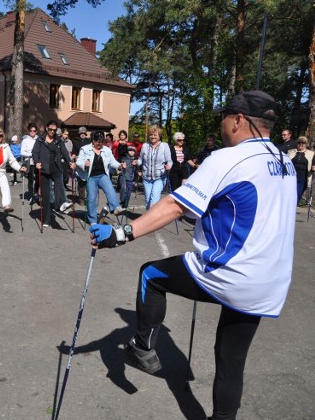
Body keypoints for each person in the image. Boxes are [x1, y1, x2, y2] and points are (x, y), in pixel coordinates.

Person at [89, 90, 296, 420]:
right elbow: (245, 209)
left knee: (151, 275)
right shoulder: (286, 162)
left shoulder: (228, 158)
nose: (222, 123)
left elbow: (175, 205)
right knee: (231, 358)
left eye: (224, 117)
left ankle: (143, 348)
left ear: (239, 120)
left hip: (231, 273)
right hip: (270, 282)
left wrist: (121, 233)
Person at [32, 120, 74, 228]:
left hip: (56, 167)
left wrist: (70, 162)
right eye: (50, 129)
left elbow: (64, 153)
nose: (52, 131)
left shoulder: (58, 140)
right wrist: (36, 162)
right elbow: (35, 152)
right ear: (46, 128)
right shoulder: (40, 140)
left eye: (54, 130)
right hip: (44, 169)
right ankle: (46, 219)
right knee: (45, 196)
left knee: (59, 183)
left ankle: (61, 203)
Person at [76, 131, 124, 225]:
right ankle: (93, 220)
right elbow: (79, 162)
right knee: (92, 198)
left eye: (102, 141)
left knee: (110, 189)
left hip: (102, 175)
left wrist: (120, 165)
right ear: (93, 141)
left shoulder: (106, 150)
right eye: (98, 141)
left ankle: (115, 208)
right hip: (91, 177)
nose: (100, 144)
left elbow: (113, 162)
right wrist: (84, 164)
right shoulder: (84, 149)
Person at [138, 125, 172, 210]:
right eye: (151, 135)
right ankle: (150, 219)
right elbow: (140, 160)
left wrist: (168, 166)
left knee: (154, 199)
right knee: (148, 201)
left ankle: (151, 221)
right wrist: (136, 162)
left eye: (155, 135)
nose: (152, 137)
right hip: (146, 178)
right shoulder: (145, 146)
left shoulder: (164, 146)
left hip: (159, 178)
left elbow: (169, 161)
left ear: (159, 136)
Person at [287, 136, 314, 203]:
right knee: (289, 195)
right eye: (299, 142)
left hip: (303, 178)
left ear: (306, 144)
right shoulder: (291, 152)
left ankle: (292, 209)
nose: (301, 144)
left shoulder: (311, 154)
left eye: (303, 143)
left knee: (297, 194)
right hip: (291, 177)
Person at [20, 123, 40, 202]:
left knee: (38, 179)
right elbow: (22, 152)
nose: (32, 132)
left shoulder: (39, 139)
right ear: (28, 131)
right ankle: (31, 196)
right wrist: (31, 154)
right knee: (31, 179)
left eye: (34, 131)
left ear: (36, 131)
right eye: (31, 130)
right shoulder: (25, 140)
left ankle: (36, 193)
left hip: (37, 162)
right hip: (29, 162)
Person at [72, 126, 91, 204]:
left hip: (87, 163)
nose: (82, 134)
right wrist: (74, 156)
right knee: (80, 182)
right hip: (79, 163)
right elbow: (74, 152)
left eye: (84, 133)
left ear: (85, 134)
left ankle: (90, 199)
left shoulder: (89, 141)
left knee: (89, 182)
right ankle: (82, 200)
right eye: (81, 133)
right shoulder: (76, 142)